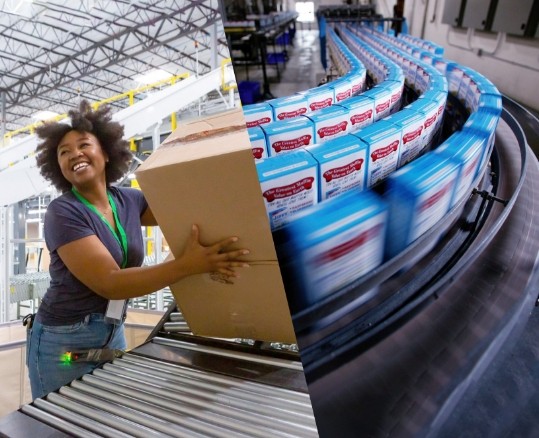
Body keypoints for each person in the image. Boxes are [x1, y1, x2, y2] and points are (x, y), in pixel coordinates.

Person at [26, 100, 250, 399]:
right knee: (61, 423)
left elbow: (188, 211)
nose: (74, 154)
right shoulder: (62, 212)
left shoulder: (129, 200)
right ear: (58, 167)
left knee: (103, 417)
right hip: (64, 343)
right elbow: (110, 282)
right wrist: (188, 265)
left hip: (112, 328)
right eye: (63, 152)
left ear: (105, 153)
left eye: (83, 145)